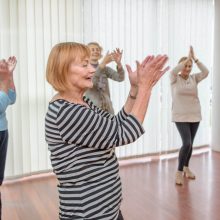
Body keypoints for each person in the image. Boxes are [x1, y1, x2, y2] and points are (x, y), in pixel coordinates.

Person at [45, 42, 169, 220]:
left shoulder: (81, 102)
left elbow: (115, 125)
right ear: (63, 70)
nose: (92, 70)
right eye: (84, 64)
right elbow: (125, 133)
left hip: (107, 210)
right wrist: (145, 88)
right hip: (89, 214)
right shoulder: (67, 112)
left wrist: (134, 89)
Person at [170, 46, 209, 185]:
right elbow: (174, 70)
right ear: (180, 66)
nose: (188, 68)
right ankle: (179, 172)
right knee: (186, 143)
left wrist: (195, 59)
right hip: (180, 116)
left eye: (190, 66)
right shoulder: (174, 78)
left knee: (190, 145)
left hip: (194, 114)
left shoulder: (194, 78)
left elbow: (206, 72)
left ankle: (186, 168)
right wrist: (186, 58)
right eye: (185, 65)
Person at [84, 42, 125, 114]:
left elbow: (120, 78)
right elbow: (91, 84)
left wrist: (119, 64)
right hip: (92, 111)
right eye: (92, 50)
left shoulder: (105, 69)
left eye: (97, 49)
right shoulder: (84, 69)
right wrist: (102, 65)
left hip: (108, 110)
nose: (96, 51)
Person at [0, 57, 17, 186]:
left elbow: (11, 98)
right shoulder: (2, 81)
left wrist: (10, 76)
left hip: (3, 131)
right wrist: (5, 78)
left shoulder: (2, 81)